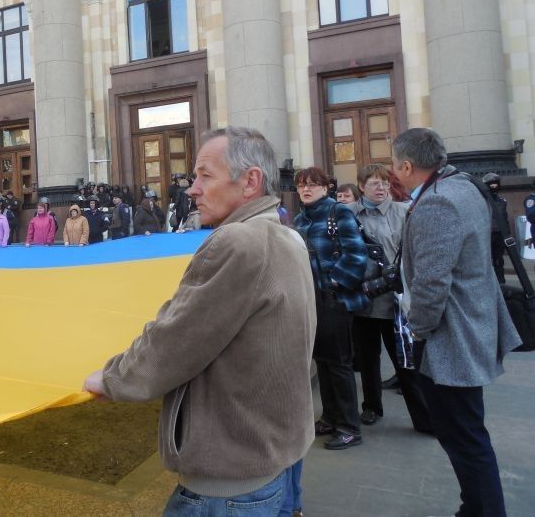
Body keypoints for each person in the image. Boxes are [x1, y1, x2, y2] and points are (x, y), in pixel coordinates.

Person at [83, 127, 315, 517]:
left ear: (250, 181)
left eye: (206, 176)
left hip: (227, 484)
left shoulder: (237, 242)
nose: (192, 189)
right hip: (277, 456)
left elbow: (175, 340)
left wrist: (113, 378)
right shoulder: (287, 237)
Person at [391, 128, 521, 517]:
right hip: (470, 327)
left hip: (452, 339)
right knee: (468, 432)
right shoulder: (463, 185)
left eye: (395, 165)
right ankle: (477, 506)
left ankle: (483, 509)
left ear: (407, 165)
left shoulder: (438, 202)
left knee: (463, 436)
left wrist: (417, 330)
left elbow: (432, 284)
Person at [350, 164, 431, 433]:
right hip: (364, 300)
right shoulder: (348, 215)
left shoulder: (403, 211)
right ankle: (371, 406)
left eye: (385, 183)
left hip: (397, 300)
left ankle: (423, 417)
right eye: (374, 183)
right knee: (368, 359)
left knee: (405, 361)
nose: (381, 188)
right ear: (361, 186)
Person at [294, 166, 368, 450]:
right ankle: (330, 417)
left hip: (334, 300)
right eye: (302, 185)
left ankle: (350, 426)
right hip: (311, 300)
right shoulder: (301, 220)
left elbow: (356, 254)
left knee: (339, 364)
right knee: (322, 362)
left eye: (313, 185)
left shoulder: (339, 212)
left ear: (326, 188)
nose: (307, 189)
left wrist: (334, 284)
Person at [483, 173, 509, 284]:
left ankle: (500, 281)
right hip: (487, 234)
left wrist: (507, 234)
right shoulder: (482, 201)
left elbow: (505, 219)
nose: (494, 187)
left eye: (496, 184)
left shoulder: (502, 201)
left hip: (499, 234)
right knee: (487, 261)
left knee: (498, 260)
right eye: (491, 185)